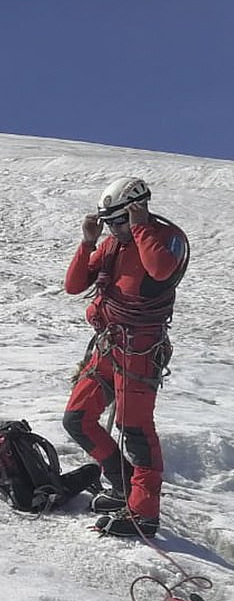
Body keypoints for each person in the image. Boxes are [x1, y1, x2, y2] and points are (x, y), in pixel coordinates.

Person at [62, 177, 189, 538]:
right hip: (108, 346)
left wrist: (139, 227)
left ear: (138, 207)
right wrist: (88, 241)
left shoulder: (164, 239)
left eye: (118, 221)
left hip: (140, 350)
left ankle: (144, 513)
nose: (114, 229)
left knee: (135, 431)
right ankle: (123, 487)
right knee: (77, 419)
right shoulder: (112, 245)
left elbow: (161, 270)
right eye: (110, 223)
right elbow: (74, 285)